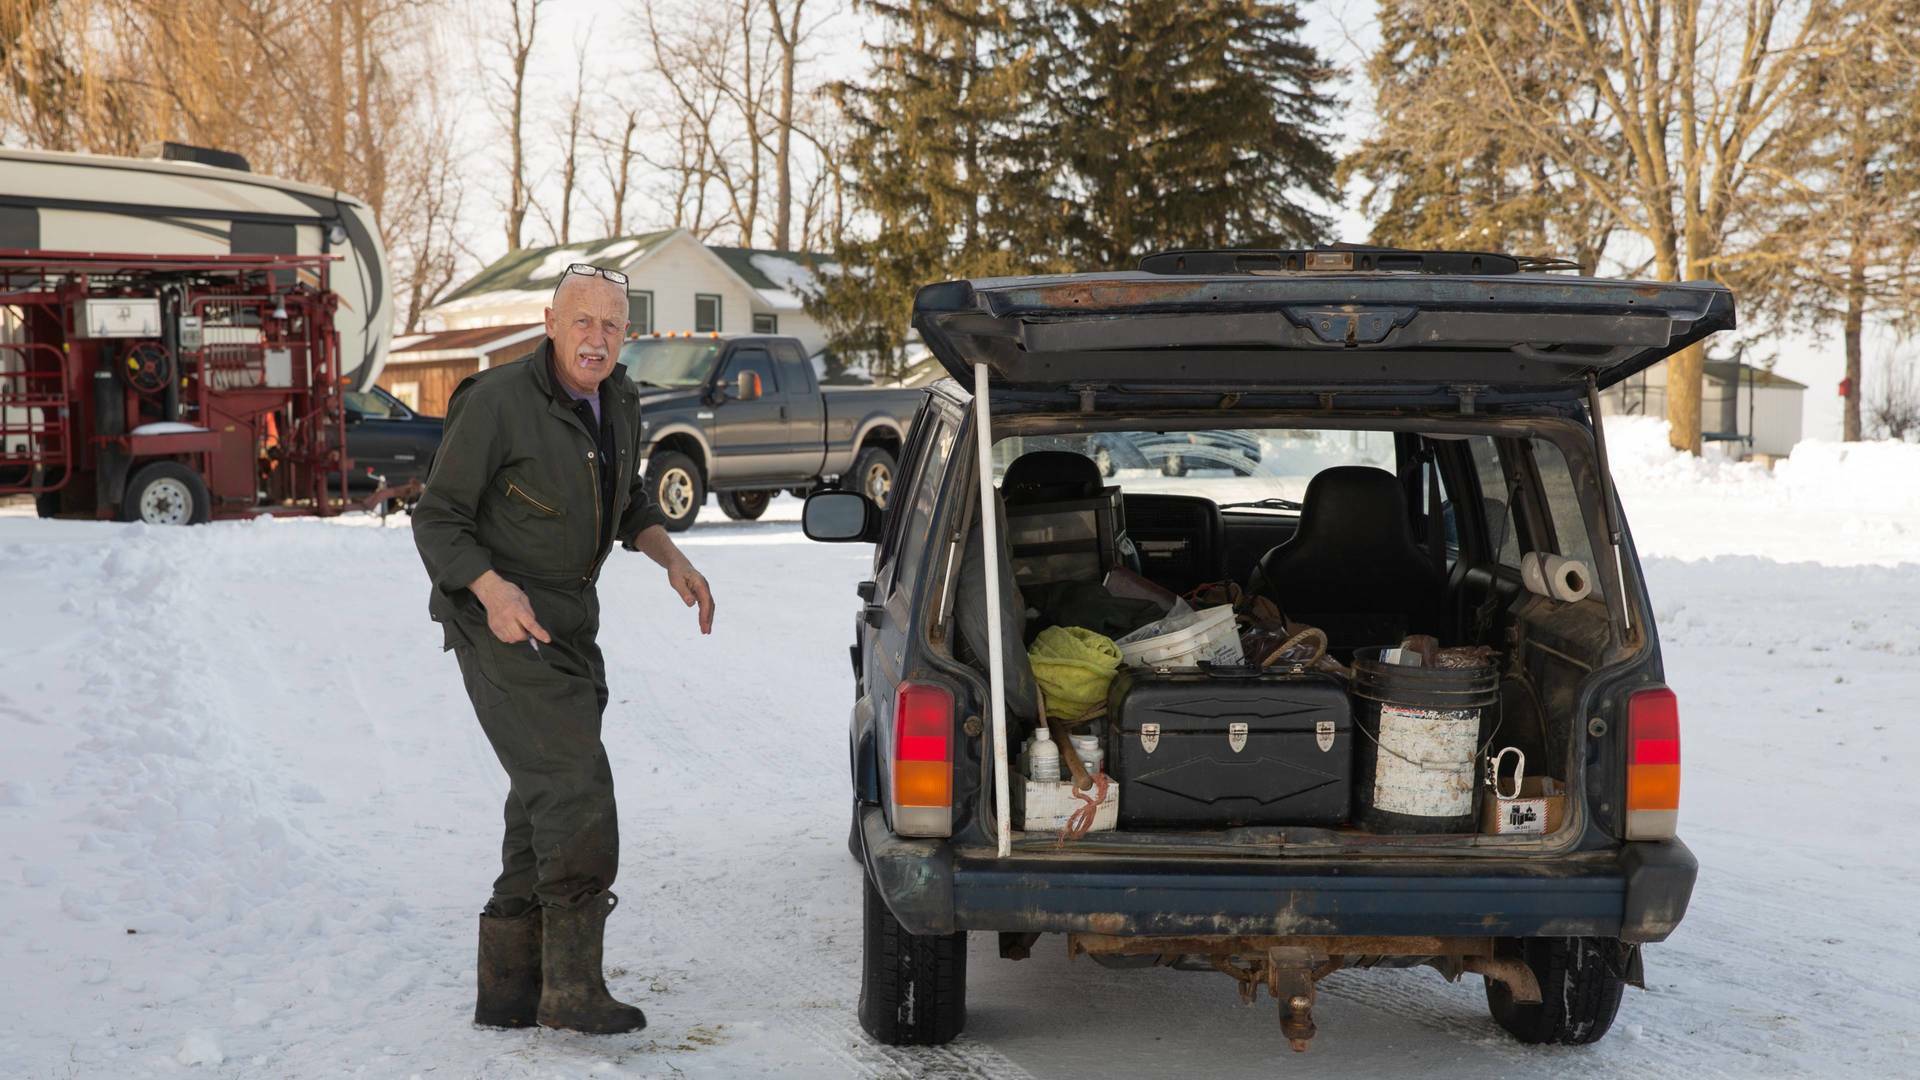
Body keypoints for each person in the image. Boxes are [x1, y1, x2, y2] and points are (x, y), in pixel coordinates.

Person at [413, 263, 715, 1034]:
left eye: (612, 324)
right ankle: (572, 991)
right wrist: (492, 591)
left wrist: (668, 555)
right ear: (550, 323)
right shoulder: (498, 404)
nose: (597, 337)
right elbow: (438, 517)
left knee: (540, 798)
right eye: (582, 320)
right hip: (499, 623)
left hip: (570, 626)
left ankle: (508, 990)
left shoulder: (618, 399)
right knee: (575, 790)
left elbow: (630, 499)